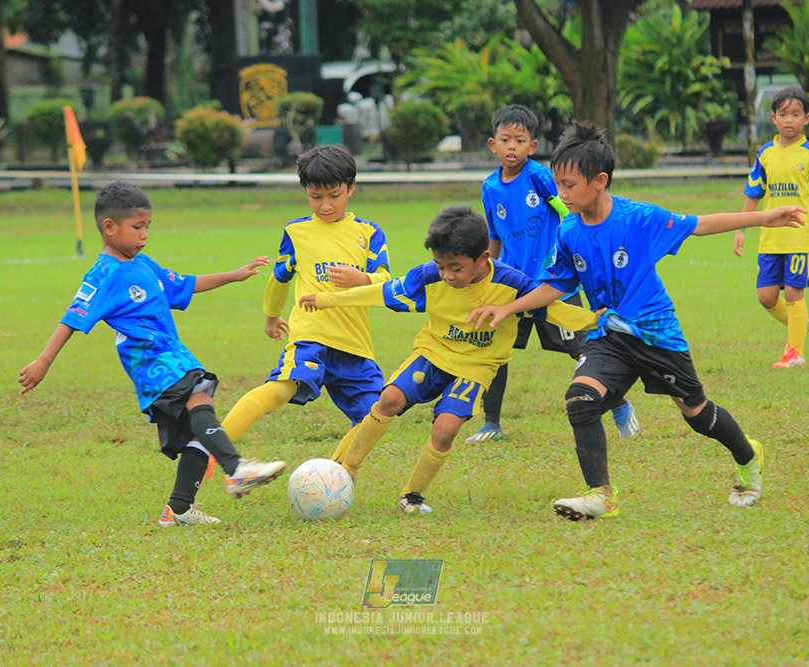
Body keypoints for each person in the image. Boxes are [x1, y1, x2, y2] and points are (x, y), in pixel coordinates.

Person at [470, 121, 806, 521]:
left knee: (696, 413)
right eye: (557, 184)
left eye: (569, 186)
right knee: (580, 398)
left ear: (600, 181)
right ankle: (600, 495)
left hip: (655, 334)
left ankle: (748, 457)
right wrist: (509, 307)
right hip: (609, 336)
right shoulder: (569, 230)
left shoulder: (638, 218)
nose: (560, 194)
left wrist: (765, 217)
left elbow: (699, 224)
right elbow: (556, 284)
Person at [299, 205, 599, 515]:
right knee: (388, 399)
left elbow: (553, 309)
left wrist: (593, 320)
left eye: (455, 267)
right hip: (433, 353)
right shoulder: (428, 278)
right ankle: (346, 470)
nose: (447, 275)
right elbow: (383, 293)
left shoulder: (512, 284)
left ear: (483, 258)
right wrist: (326, 299)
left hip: (477, 366)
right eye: (441, 265)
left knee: (444, 431)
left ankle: (411, 495)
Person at [19, 182, 287, 527]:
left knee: (198, 424)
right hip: (150, 359)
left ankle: (179, 509)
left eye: (147, 226)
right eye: (137, 227)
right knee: (198, 398)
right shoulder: (105, 274)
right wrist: (44, 361)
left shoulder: (144, 264)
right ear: (109, 228)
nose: (144, 234)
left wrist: (234, 276)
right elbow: (73, 318)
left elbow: (184, 284)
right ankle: (236, 469)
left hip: (171, 353)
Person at [466, 104, 638, 445]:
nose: (512, 146)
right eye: (505, 140)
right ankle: (491, 423)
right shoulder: (490, 187)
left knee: (579, 349)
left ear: (532, 146)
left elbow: (566, 212)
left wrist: (571, 250)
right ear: (492, 145)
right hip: (511, 285)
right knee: (493, 350)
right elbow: (495, 236)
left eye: (520, 140)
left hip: (549, 281)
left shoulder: (539, 176)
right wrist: (485, 273)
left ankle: (618, 405)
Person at [219, 145, 390, 464]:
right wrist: (272, 316)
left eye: (334, 196)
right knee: (283, 387)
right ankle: (216, 443)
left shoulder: (369, 233)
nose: (325, 206)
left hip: (354, 341)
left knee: (376, 416)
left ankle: (338, 475)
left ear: (351, 188)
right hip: (311, 334)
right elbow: (280, 278)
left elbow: (387, 281)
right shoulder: (296, 232)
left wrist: (361, 279)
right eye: (315, 196)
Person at [733, 85, 809, 368]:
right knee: (766, 296)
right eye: (783, 114)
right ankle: (800, 322)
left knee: (793, 292)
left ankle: (794, 353)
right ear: (774, 118)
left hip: (801, 238)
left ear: (807, 119)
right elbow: (753, 193)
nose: (789, 119)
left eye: (795, 114)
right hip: (771, 239)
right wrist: (741, 229)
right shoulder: (765, 154)